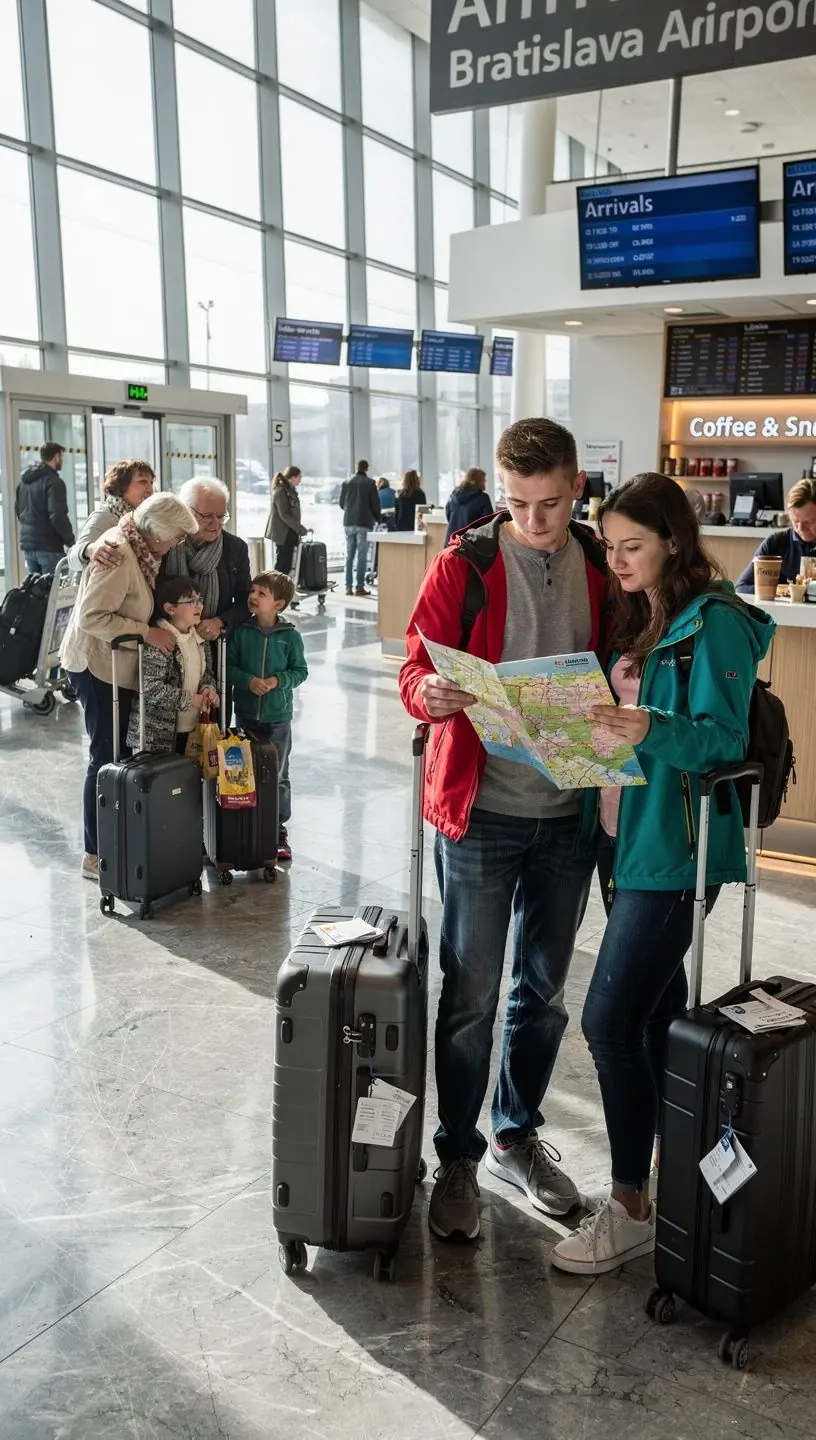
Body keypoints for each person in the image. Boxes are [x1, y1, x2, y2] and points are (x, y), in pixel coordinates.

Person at [550, 473, 775, 1278]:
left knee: (608, 1023)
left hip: (676, 851)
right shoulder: (647, 617)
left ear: (674, 540)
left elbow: (722, 742)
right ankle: (671, 1175)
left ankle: (630, 1207)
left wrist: (650, 723)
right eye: (609, 547)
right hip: (622, 836)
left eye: (632, 546)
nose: (616, 561)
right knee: (651, 1018)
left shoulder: (714, 624)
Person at [399, 417, 609, 1243]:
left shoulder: (601, 561)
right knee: (473, 992)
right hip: (481, 812)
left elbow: (632, 655)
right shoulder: (468, 561)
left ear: (577, 488)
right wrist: (431, 697)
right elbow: (418, 666)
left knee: (545, 992)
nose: (535, 520)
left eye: (551, 504)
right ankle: (458, 1154)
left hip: (569, 815)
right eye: (518, 503)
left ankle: (516, 1140)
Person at [60, 494, 198, 881]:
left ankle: (112, 841)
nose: (174, 547)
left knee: (116, 752)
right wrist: (146, 632)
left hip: (115, 666)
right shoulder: (120, 553)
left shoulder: (142, 549)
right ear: (158, 531)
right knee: (103, 755)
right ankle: (94, 852)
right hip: (97, 666)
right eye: (174, 539)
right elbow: (91, 616)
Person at [88, 477, 250, 643]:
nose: (215, 524)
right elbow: (95, 614)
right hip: (164, 641)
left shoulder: (235, 549)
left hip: (214, 645)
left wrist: (220, 622)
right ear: (186, 510)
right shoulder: (159, 544)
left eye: (221, 516)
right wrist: (88, 549)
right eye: (207, 516)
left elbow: (245, 601)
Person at [228, 571, 308, 864]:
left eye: (262, 593)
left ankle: (277, 831)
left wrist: (277, 680)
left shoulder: (290, 637)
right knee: (244, 773)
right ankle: (248, 826)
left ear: (278, 604)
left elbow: (301, 671)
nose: (253, 596)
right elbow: (229, 666)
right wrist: (248, 681)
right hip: (247, 715)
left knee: (278, 775)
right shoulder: (241, 633)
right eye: (253, 590)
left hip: (278, 718)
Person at [126, 577, 219, 756]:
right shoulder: (160, 641)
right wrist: (190, 700)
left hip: (191, 729)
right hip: (156, 737)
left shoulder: (199, 639)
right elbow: (150, 688)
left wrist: (208, 688)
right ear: (170, 608)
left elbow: (206, 673)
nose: (199, 606)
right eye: (191, 601)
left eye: (199, 600)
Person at [68, 459, 155, 572]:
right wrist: (90, 549)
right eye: (143, 482)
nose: (150, 489)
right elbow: (72, 559)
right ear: (122, 486)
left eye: (151, 482)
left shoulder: (145, 518)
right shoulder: (105, 516)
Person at [736, 478, 816, 592]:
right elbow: (741, 588)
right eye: (795, 521)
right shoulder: (777, 542)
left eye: (810, 522)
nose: (801, 528)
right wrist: (781, 591)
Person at [15, 442, 75, 575]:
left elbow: (18, 510)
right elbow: (57, 515)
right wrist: (70, 541)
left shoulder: (24, 482)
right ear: (56, 457)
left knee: (35, 592)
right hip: (49, 546)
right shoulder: (54, 482)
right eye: (62, 456)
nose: (62, 460)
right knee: (52, 592)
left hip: (29, 546)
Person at [339, 460, 380, 597]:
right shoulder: (370, 483)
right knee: (361, 556)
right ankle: (359, 587)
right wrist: (378, 519)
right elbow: (374, 504)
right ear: (367, 469)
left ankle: (348, 587)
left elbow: (341, 503)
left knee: (349, 555)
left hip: (348, 522)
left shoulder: (347, 482)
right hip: (363, 522)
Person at [266, 466, 308, 578]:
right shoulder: (281, 491)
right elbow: (283, 514)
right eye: (299, 477)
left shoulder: (290, 491)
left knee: (288, 564)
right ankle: (275, 590)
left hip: (290, 533)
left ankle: (282, 590)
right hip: (283, 534)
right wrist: (300, 528)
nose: (300, 480)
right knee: (282, 565)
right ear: (292, 477)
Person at [445, 467, 494, 544]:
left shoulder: (453, 495)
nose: (484, 483)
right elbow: (489, 523)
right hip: (470, 545)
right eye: (484, 480)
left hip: (451, 542)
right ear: (478, 481)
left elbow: (448, 516)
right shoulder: (483, 498)